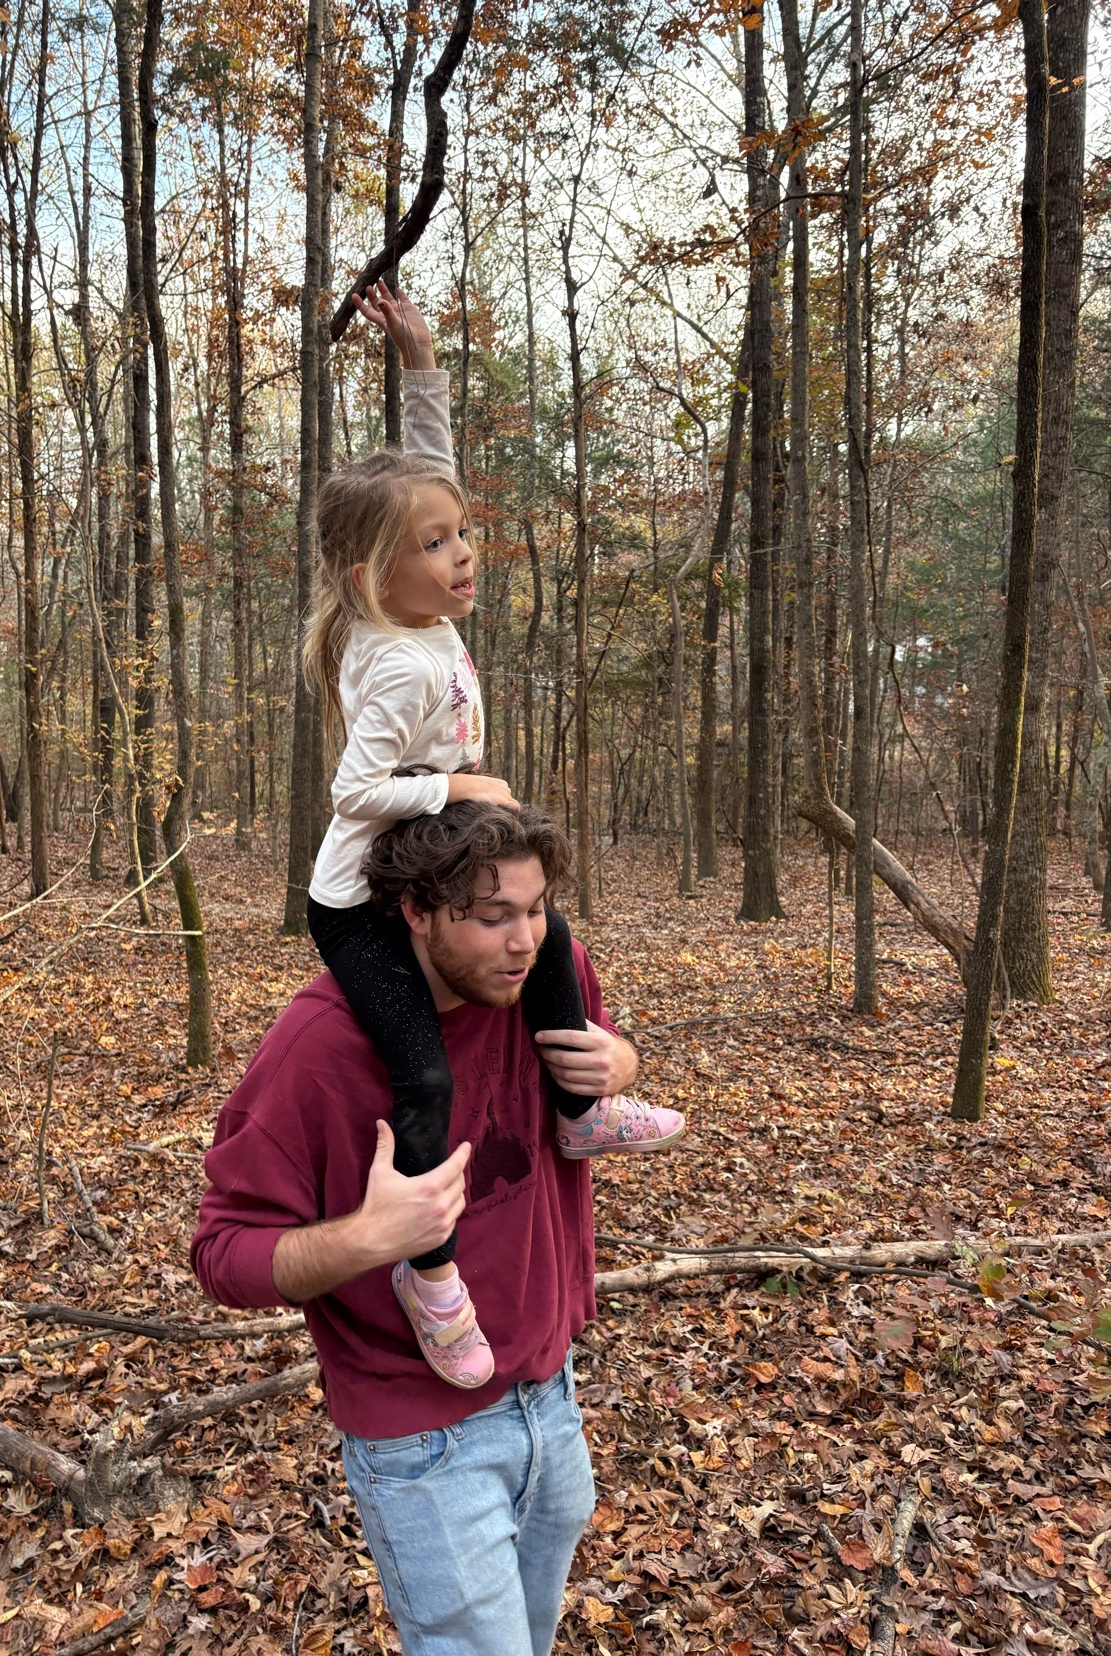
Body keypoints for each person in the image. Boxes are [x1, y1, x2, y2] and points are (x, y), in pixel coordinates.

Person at [302, 282, 683, 1389]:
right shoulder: (395, 661)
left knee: (546, 932)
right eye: (439, 544)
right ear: (379, 576)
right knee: (424, 1078)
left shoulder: (417, 606)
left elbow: (425, 480)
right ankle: (431, 1279)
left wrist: (420, 363)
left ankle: (581, 1113)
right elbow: (353, 795)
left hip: (433, 856)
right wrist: (459, 784)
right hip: (359, 899)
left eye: (464, 534)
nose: (465, 553)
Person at [192, 800, 678, 1655]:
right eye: (492, 918)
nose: (524, 941)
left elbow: (590, 1078)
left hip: (551, 1393)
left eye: (537, 909)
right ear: (416, 911)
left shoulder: (545, 973)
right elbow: (221, 1253)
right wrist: (367, 1237)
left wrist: (622, 1060)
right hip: (424, 1442)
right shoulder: (321, 1046)